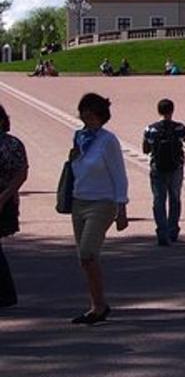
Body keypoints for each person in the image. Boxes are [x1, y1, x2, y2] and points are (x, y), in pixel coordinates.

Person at [69, 93, 130, 325]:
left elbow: (119, 175)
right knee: (85, 259)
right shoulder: (79, 137)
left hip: (102, 202)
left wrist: (121, 206)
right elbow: (77, 168)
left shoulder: (108, 140)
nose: (86, 119)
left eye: (91, 115)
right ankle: (97, 304)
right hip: (79, 200)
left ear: (101, 117)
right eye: (84, 114)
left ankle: (99, 305)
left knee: (88, 252)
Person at [142, 98, 185, 246]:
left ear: (158, 110)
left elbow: (145, 149)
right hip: (175, 167)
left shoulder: (150, 129)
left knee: (159, 200)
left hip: (157, 167)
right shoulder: (179, 128)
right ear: (172, 110)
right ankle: (173, 230)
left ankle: (161, 231)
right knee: (175, 198)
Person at [0, 105, 28, 309]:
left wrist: (4, 196)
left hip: (4, 198)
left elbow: (21, 173)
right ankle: (7, 293)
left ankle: (7, 293)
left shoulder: (12, 144)